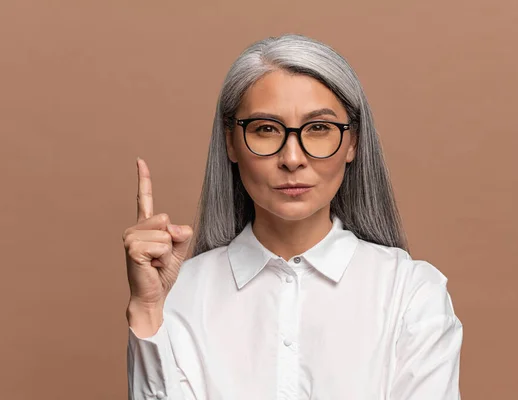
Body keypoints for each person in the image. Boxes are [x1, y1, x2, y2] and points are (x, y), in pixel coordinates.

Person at [123, 34, 463, 400]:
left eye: (319, 129)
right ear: (230, 142)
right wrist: (147, 310)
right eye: (266, 129)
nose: (292, 158)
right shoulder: (179, 292)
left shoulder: (411, 293)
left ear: (352, 143)